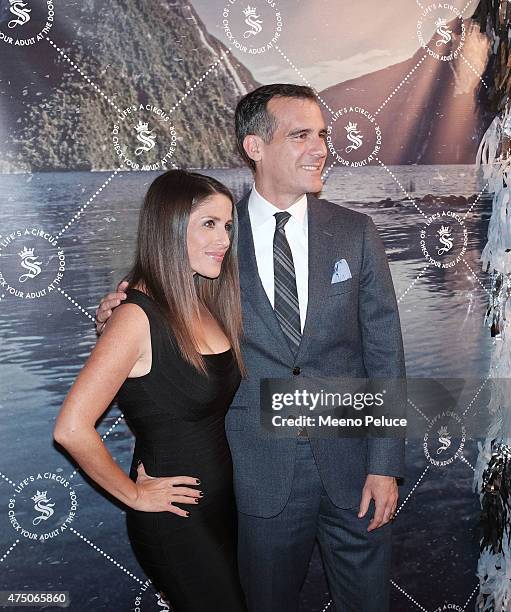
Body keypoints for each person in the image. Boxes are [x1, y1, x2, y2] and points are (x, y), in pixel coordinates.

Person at [96, 84, 405, 612]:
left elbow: (385, 354)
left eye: (323, 136)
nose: (321, 148)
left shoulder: (356, 232)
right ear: (254, 147)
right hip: (256, 474)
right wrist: (116, 308)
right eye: (301, 135)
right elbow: (151, 306)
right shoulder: (213, 237)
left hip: (353, 467)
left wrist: (385, 463)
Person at [54, 170, 248, 612]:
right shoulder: (135, 317)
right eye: (208, 224)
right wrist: (136, 495)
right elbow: (71, 428)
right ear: (169, 228)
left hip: (218, 510)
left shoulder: (202, 300)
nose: (223, 239)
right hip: (174, 522)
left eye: (227, 226)